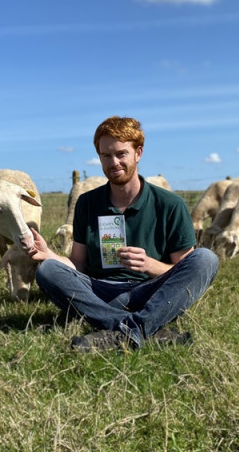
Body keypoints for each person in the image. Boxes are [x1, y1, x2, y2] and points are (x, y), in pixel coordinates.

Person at [26, 116, 219, 351]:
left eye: (121, 154)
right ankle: (143, 328)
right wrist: (48, 255)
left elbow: (180, 270)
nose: (113, 162)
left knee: (205, 259)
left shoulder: (171, 204)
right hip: (100, 292)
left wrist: (149, 265)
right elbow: (78, 264)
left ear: (138, 153)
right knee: (47, 270)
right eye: (105, 155)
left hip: (152, 291)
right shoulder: (87, 203)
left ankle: (116, 330)